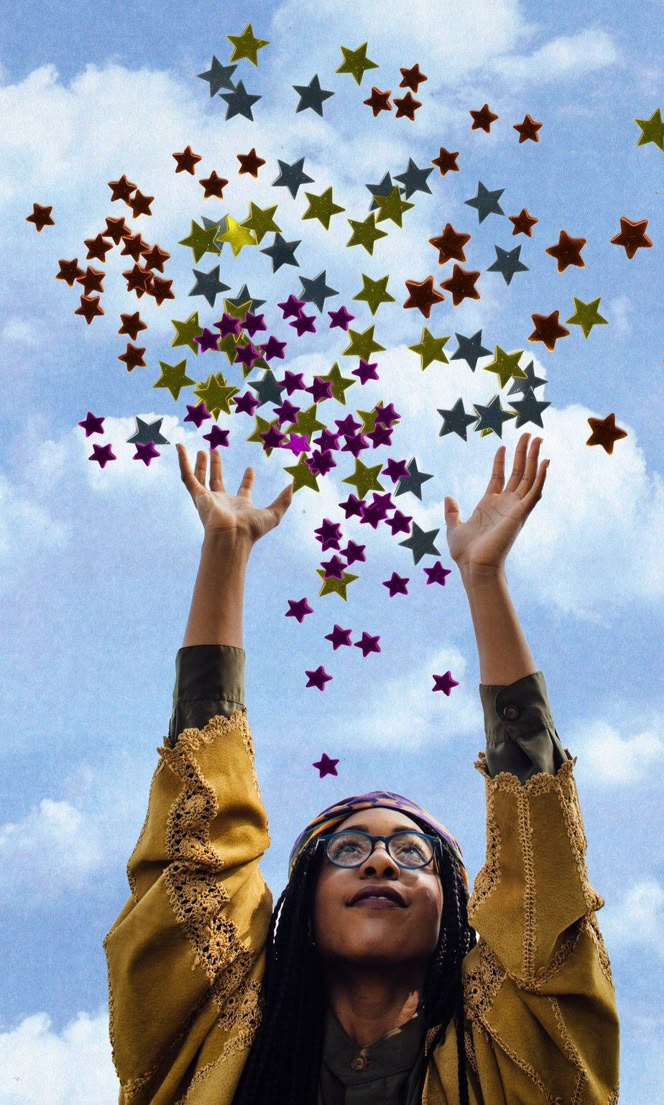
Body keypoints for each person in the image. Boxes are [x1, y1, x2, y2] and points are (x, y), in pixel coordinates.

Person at [104, 433, 619, 1105]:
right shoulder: (218, 1040)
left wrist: (485, 581)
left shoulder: (504, 1056)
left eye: (412, 851)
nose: (381, 863)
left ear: (459, 912)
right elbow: (197, 843)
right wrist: (223, 555)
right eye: (348, 849)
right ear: (302, 902)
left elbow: (542, 886)